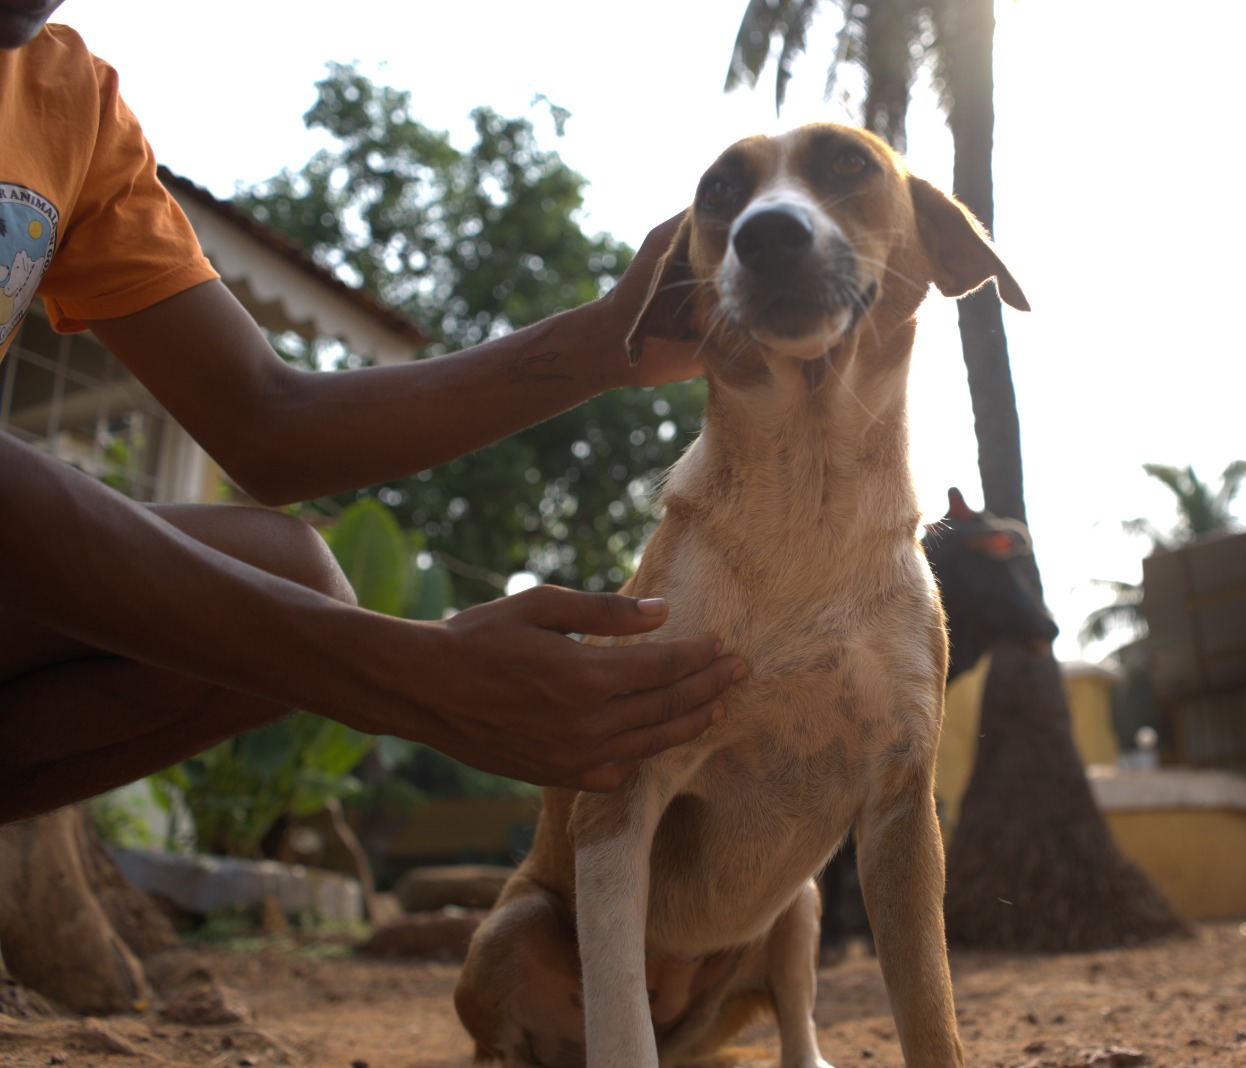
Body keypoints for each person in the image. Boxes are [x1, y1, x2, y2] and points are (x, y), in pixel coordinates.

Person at [0, 4, 744, 824]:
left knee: (291, 571)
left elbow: (267, 423)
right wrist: (411, 678)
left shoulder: (66, 101)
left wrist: (605, 344)